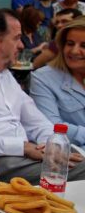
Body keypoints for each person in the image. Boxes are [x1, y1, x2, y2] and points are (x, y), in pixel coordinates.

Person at [0, 9, 85, 184]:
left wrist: (51, 146)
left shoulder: (5, 76)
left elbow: (37, 121)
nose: (22, 45)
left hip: (23, 156)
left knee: (75, 159)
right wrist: (22, 147)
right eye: (16, 38)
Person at [31, 17, 85, 146]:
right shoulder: (43, 78)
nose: (74, 51)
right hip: (72, 156)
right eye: (70, 43)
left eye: (84, 45)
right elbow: (50, 126)